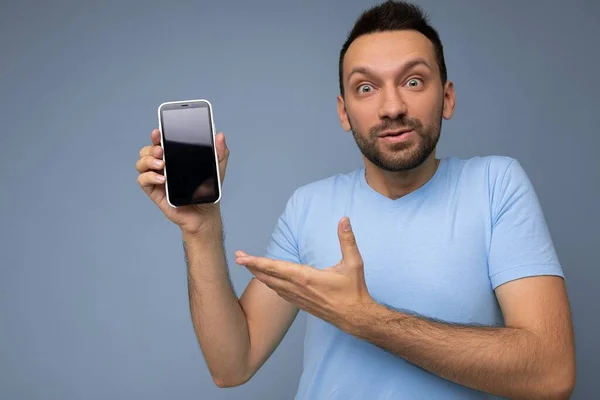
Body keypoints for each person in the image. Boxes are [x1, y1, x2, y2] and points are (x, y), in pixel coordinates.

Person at [136, 1, 576, 398]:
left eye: (414, 81)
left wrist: (366, 319)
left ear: (447, 97)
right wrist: (201, 231)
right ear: (344, 112)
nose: (391, 107)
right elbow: (232, 365)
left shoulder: (496, 184)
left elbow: (552, 373)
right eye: (366, 88)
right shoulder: (307, 205)